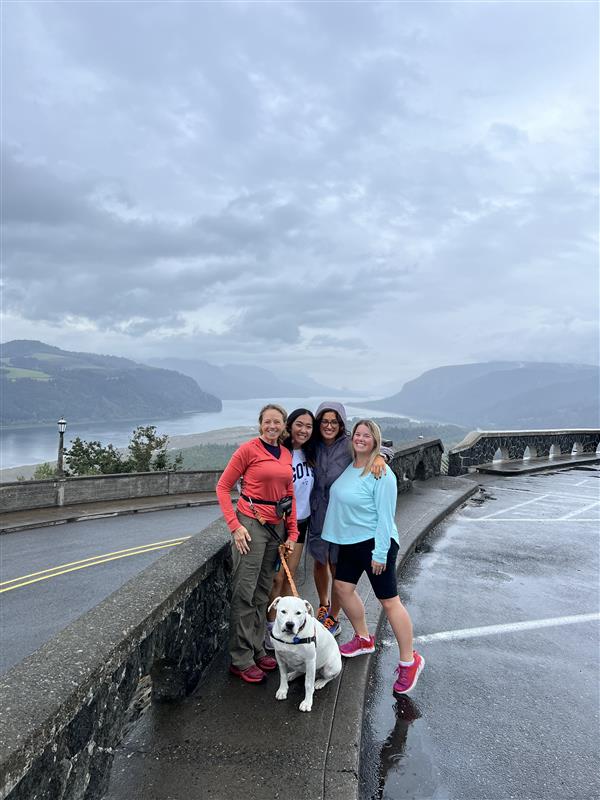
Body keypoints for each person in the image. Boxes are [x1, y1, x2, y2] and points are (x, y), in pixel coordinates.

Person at [322, 419, 424, 695]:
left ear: (376, 441)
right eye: (358, 434)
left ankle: (409, 660)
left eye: (367, 435)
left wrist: (379, 553)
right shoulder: (351, 467)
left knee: (390, 603)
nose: (361, 438)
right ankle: (363, 639)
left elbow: (385, 517)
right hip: (350, 543)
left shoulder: (381, 473)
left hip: (375, 544)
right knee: (342, 589)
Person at [216, 403, 299, 684]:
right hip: (251, 525)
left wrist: (292, 532)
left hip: (276, 526)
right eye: (267, 422)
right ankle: (240, 659)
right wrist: (235, 526)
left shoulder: (286, 454)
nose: (272, 426)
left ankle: (256, 648)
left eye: (278, 422)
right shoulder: (248, 450)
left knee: (263, 591)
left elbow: (290, 495)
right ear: (260, 424)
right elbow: (223, 487)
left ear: (283, 426)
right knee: (245, 591)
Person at [308, 402, 389, 637]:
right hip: (317, 513)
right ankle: (323, 605)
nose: (329, 426)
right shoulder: (313, 445)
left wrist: (381, 457)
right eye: (324, 421)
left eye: (334, 421)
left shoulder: (348, 445)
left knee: (336, 564)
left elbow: (380, 447)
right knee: (319, 561)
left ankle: (334, 615)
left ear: (341, 424)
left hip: (340, 515)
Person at [265, 408, 317, 648]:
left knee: (288, 579)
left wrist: (384, 454)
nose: (304, 430)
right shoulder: (280, 451)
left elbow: (354, 449)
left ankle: (286, 632)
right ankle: (270, 631)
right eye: (299, 424)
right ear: (289, 425)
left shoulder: (312, 453)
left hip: (302, 523)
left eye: (308, 426)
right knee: (275, 580)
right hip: (280, 524)